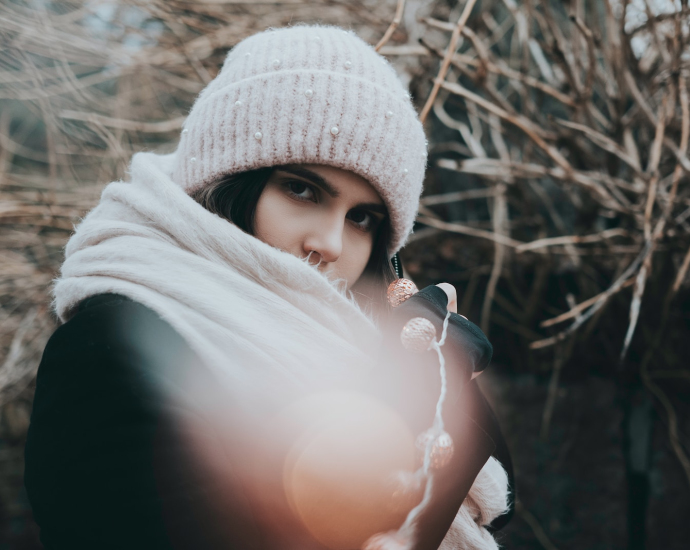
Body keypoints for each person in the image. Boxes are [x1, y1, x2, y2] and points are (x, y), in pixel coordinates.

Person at [24, 25, 514, 550]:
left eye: (363, 218)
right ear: (230, 184)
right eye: (301, 189)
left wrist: (443, 386)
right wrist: (409, 402)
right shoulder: (111, 352)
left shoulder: (354, 344)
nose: (327, 242)